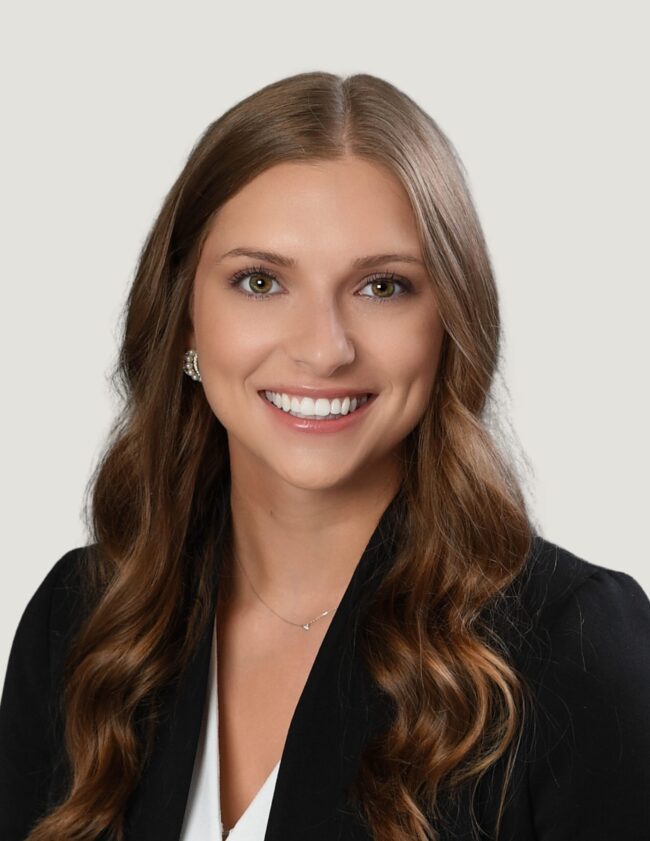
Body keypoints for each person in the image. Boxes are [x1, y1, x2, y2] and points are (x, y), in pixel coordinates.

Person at [1, 70, 649, 841]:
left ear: (451, 321)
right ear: (183, 319)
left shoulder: (576, 648)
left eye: (382, 287)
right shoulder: (81, 622)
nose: (322, 348)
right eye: (260, 280)